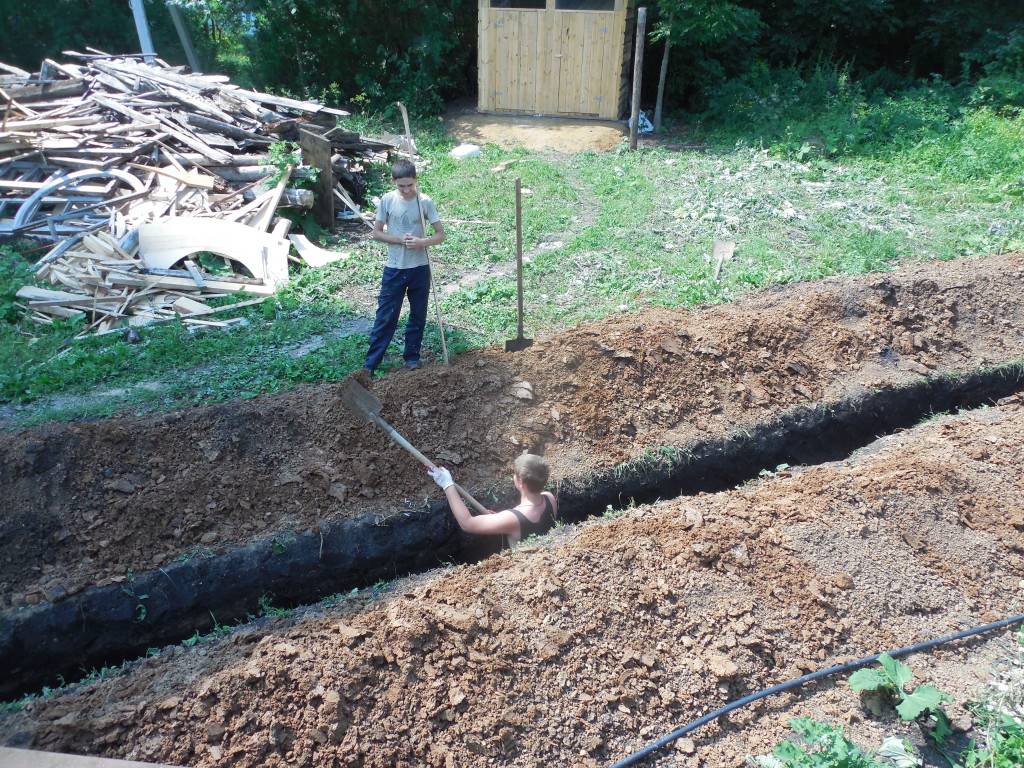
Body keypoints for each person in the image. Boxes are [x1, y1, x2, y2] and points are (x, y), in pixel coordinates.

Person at [363, 159, 446, 375]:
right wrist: (399, 239)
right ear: (394, 182)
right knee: (386, 316)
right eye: (402, 186)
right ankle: (370, 365)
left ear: (416, 181)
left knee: (418, 316)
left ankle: (412, 358)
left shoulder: (425, 202)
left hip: (420, 267)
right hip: (395, 268)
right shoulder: (388, 200)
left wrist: (421, 242)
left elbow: (440, 235)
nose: (407, 190)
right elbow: (377, 233)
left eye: (410, 185)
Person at [428, 454, 558, 547]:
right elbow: (526, 521)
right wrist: (499, 518)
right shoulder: (550, 498)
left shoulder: (512, 519)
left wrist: (447, 484)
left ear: (520, 482)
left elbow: (467, 523)